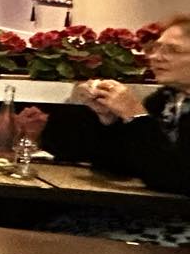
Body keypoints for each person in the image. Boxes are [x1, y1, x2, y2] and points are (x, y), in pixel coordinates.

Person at [76, 15, 190, 196]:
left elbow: (175, 178)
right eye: (156, 48)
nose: (155, 57)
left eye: (173, 50)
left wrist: (135, 115)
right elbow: (117, 166)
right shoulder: (165, 99)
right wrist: (109, 119)